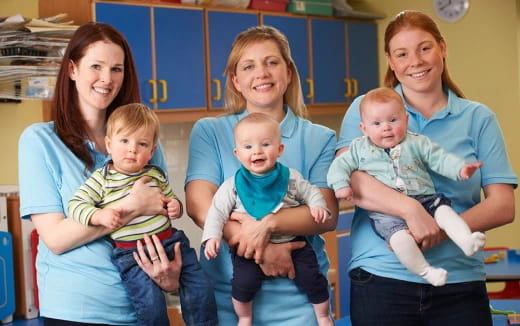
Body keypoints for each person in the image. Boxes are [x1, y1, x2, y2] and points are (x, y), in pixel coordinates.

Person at [337, 10, 517, 325]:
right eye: (402, 53)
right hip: (381, 277)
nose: (416, 61)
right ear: (391, 62)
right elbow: (353, 180)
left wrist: (442, 230)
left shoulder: (478, 118)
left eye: (425, 48)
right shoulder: (367, 109)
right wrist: (411, 211)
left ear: (442, 48)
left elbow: (503, 205)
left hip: (459, 282)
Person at [18, 22, 183, 326]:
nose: (107, 79)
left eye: (117, 69)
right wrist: (133, 206)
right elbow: (56, 238)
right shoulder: (39, 141)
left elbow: (159, 222)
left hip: (144, 308)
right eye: (96, 66)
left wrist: (171, 276)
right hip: (77, 311)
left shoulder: (143, 142)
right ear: (72, 70)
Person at [185, 25, 338, 325]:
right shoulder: (211, 131)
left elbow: (328, 214)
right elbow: (198, 204)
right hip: (228, 298)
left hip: (302, 300)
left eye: (272, 62)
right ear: (236, 80)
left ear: (289, 72)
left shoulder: (320, 138)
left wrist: (267, 226)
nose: (262, 73)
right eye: (248, 66)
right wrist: (256, 246)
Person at [67, 103, 217, 326]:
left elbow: (170, 200)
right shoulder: (102, 179)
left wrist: (175, 206)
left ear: (152, 151)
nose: (132, 149)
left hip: (171, 243)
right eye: (124, 141)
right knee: (151, 307)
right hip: (131, 255)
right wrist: (99, 216)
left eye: (142, 143)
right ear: (109, 144)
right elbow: (75, 205)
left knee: (201, 290)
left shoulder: (155, 174)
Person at [327, 87, 486, 287]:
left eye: (393, 120)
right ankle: (427, 271)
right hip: (384, 212)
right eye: (377, 123)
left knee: (445, 212)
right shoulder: (358, 149)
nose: (386, 127)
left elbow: (440, 159)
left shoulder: (417, 143)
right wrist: (341, 185)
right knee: (399, 240)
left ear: (406, 120)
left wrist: (460, 170)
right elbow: (339, 166)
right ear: (364, 128)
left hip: (425, 197)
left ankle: (466, 241)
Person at [202, 112, 333, 326]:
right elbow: (217, 212)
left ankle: (323, 315)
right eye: (248, 147)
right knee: (243, 283)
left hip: (293, 241)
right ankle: (244, 318)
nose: (257, 151)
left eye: (265, 144)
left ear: (280, 149)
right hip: (248, 249)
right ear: (237, 153)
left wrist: (318, 205)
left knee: (313, 278)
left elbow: (310, 191)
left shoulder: (290, 177)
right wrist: (211, 237)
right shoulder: (233, 185)